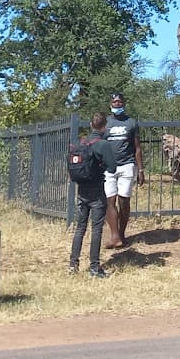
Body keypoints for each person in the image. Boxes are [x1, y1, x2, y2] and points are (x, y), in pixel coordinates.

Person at [70, 113, 116, 278]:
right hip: (97, 192)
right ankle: (95, 268)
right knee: (96, 229)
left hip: (82, 191)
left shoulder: (81, 143)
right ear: (105, 126)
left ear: (90, 125)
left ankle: (73, 265)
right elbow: (112, 168)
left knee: (80, 228)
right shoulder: (103, 144)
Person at [103, 91, 144, 248]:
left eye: (120, 102)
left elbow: (137, 148)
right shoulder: (105, 123)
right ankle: (114, 236)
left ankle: (121, 233)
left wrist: (140, 170)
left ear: (124, 104)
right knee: (110, 200)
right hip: (108, 167)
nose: (117, 104)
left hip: (127, 165)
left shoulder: (131, 123)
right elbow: (98, 145)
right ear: (110, 104)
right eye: (115, 102)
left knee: (124, 201)